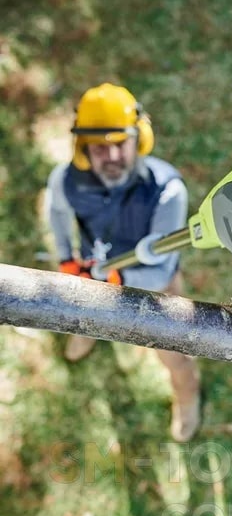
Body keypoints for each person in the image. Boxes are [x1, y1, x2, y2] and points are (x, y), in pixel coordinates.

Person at [45, 82, 201, 442]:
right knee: (83, 320)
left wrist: (116, 277)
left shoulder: (165, 191)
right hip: (90, 279)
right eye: (99, 147)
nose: (111, 155)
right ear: (82, 148)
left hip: (154, 290)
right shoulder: (67, 182)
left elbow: (161, 267)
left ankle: (187, 397)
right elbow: (56, 214)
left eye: (120, 143)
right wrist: (67, 258)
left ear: (140, 138)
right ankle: (87, 335)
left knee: (174, 353)